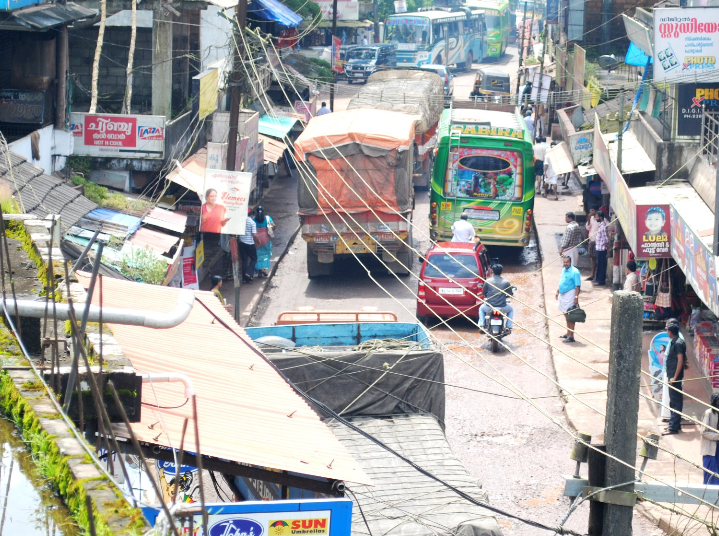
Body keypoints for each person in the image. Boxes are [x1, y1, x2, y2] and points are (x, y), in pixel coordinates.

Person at [663, 323, 686, 435]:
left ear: (670, 332)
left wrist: (675, 378)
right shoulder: (674, 341)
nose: (667, 332)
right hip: (671, 374)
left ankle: (674, 427)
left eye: (668, 330)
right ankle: (674, 424)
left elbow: (680, 361)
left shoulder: (678, 343)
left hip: (674, 377)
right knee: (672, 401)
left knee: (676, 402)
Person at [479, 263, 514, 330]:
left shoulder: (488, 281)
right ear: (501, 271)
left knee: (481, 309)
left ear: (492, 271)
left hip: (489, 307)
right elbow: (510, 294)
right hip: (502, 307)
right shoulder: (506, 282)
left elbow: (484, 292)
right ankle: (508, 327)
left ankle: (482, 325)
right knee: (511, 310)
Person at [556, 255, 581, 343]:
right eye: (564, 262)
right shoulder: (564, 270)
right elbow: (562, 281)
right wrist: (558, 291)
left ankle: (571, 336)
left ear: (570, 262)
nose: (565, 264)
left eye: (567, 262)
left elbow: (578, 286)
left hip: (570, 295)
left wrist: (576, 298)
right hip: (563, 294)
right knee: (565, 314)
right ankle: (568, 332)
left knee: (571, 315)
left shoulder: (575, 272)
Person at [700, 393, 719, 484]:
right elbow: (703, 432)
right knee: (711, 473)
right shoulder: (709, 413)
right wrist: (717, 436)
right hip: (711, 449)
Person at [254, 205, 275, 278]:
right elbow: (273, 226)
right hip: (266, 238)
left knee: (258, 255)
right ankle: (264, 269)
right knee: (266, 254)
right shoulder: (267, 218)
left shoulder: (254, 219)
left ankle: (260, 271)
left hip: (257, 239)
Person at [239, 209, 259, 283]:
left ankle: (244, 278)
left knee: (244, 260)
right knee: (254, 258)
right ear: (251, 215)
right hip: (249, 243)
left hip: (241, 243)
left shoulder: (241, 221)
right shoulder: (252, 222)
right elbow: (254, 234)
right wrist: (258, 240)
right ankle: (249, 272)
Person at [593, 210, 608, 286]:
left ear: (601, 217)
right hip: (599, 248)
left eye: (597, 217)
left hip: (602, 249)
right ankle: (598, 279)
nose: (596, 218)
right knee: (599, 264)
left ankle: (600, 280)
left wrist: (606, 247)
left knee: (601, 265)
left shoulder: (602, 226)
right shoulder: (600, 225)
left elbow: (605, 239)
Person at [585, 206, 599, 281]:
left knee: (597, 259)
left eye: (593, 210)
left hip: (598, 241)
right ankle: (592, 274)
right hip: (591, 240)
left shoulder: (601, 220)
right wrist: (588, 218)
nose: (592, 212)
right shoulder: (591, 219)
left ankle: (595, 274)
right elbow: (587, 228)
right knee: (592, 258)